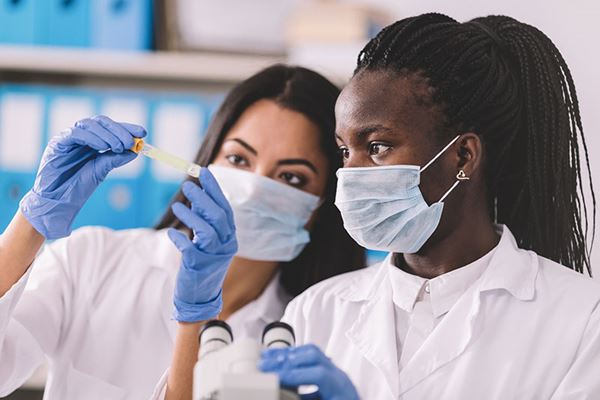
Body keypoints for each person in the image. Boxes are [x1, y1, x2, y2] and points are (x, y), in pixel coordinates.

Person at [167, 14, 600, 400]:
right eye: (343, 152)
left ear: (462, 157)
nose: (351, 175)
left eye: (377, 147)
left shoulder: (581, 320)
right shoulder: (316, 311)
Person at [0, 64, 364, 399]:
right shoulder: (93, 260)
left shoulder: (310, 328)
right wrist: (31, 222)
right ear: (206, 161)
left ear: (323, 204)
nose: (253, 188)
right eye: (238, 159)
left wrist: (195, 319)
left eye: (291, 177)